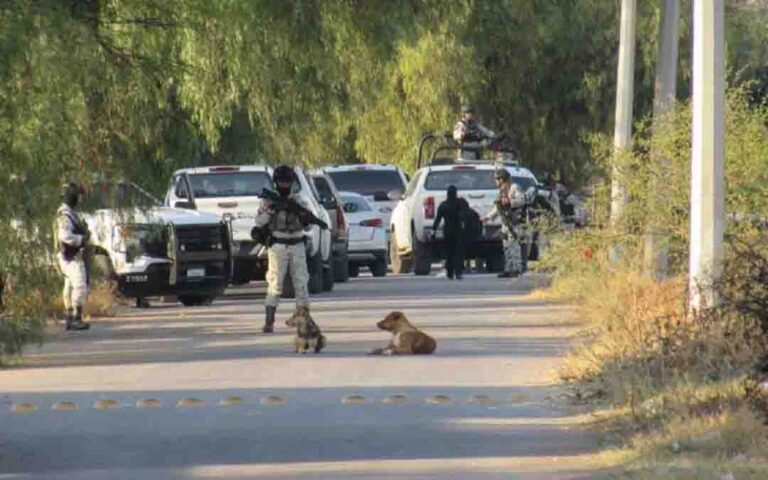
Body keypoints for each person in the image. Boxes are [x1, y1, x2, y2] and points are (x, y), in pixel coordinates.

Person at [253, 165, 320, 334]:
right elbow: (259, 222)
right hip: (278, 245)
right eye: (281, 182)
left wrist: (304, 217)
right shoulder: (269, 201)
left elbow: (308, 225)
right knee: (275, 284)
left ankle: (303, 319)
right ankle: (269, 321)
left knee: (301, 283)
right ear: (276, 183)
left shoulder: (299, 201)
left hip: (297, 244)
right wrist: (271, 211)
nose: (284, 185)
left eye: (287, 182)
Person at [55, 182, 91, 331]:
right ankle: (76, 318)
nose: (79, 199)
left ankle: (70, 317)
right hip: (69, 256)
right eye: (77, 196)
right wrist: (81, 239)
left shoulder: (69, 213)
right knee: (79, 285)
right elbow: (64, 235)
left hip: (69, 255)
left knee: (69, 286)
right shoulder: (65, 215)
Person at [481, 169, 527, 278]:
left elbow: (522, 200)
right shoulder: (502, 191)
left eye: (497, 179)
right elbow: (498, 207)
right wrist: (487, 217)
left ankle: (516, 269)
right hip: (506, 222)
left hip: (514, 222)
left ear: (503, 178)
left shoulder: (514, 187)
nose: (496, 181)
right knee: (506, 247)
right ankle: (508, 269)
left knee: (514, 245)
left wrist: (510, 202)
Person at [431, 185, 471, 280]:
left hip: (447, 231)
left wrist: (433, 231)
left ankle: (450, 272)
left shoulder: (443, 205)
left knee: (449, 253)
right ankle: (458, 272)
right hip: (458, 231)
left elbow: (438, 219)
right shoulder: (460, 203)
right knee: (458, 253)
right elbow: (466, 215)